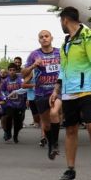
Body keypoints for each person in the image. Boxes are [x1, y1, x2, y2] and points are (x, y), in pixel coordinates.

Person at [50, 6, 91, 180]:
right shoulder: (65, 43)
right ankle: (70, 169)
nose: (61, 24)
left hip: (88, 89)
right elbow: (63, 69)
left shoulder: (88, 36)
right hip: (69, 93)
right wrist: (56, 90)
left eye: (61, 21)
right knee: (70, 129)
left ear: (65, 20)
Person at [22, 30, 63, 159]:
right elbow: (23, 73)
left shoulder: (59, 53)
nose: (44, 38)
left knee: (54, 113)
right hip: (41, 93)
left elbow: (68, 68)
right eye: (41, 37)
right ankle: (51, 145)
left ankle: (55, 143)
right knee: (45, 124)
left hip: (57, 91)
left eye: (46, 36)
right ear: (38, 40)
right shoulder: (34, 54)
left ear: (52, 38)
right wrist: (34, 65)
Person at [2, 63, 27, 143]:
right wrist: (6, 96)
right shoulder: (6, 80)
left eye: (13, 70)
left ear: (16, 71)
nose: (12, 72)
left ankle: (15, 136)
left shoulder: (20, 80)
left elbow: (25, 89)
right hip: (10, 103)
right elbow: (2, 90)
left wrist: (26, 99)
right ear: (8, 71)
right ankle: (8, 132)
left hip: (20, 104)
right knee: (8, 117)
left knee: (18, 122)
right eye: (10, 70)